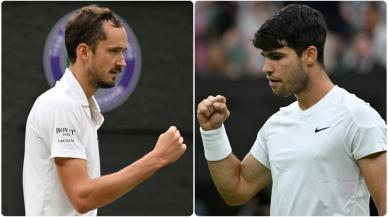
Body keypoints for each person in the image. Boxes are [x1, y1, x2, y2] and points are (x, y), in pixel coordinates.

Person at [197, 4, 386, 216]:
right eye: (265, 57)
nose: (266, 67)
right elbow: (236, 189)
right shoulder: (276, 124)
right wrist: (213, 132)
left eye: (276, 56)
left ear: (310, 55)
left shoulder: (359, 117)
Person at [23, 5, 186, 215]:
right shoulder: (62, 104)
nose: (122, 62)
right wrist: (157, 158)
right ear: (84, 52)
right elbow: (82, 196)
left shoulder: (78, 106)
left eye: (123, 51)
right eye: (113, 51)